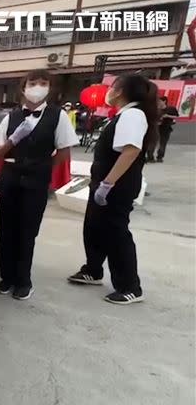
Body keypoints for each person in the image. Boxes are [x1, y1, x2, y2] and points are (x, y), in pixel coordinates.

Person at [67, 75, 157, 305]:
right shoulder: (122, 114)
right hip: (105, 181)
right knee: (95, 227)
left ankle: (130, 286)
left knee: (116, 233)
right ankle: (93, 269)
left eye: (113, 87)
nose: (110, 91)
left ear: (121, 91)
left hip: (117, 185)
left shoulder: (133, 115)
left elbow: (130, 151)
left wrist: (108, 183)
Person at [0, 69, 78, 300]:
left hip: (36, 180)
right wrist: (14, 139)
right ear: (23, 87)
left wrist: (43, 167)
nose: (37, 87)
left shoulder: (57, 116)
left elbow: (64, 150)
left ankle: (23, 280)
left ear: (50, 88)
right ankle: (6, 277)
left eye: (43, 83)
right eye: (33, 82)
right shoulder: (11, 117)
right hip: (10, 177)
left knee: (27, 232)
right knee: (7, 230)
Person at [148, 96, 178, 163]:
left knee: (162, 144)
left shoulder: (171, 109)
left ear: (164, 101)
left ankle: (160, 157)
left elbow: (176, 116)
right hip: (156, 128)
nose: (158, 102)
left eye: (159, 101)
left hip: (165, 129)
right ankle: (150, 157)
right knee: (152, 143)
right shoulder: (156, 109)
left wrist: (167, 116)